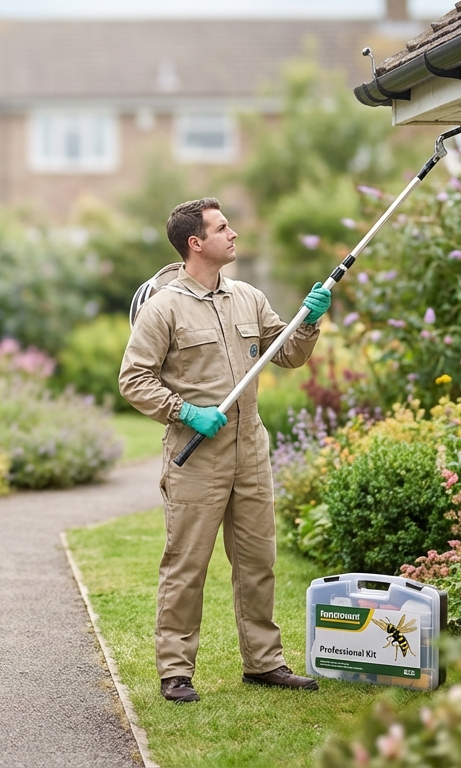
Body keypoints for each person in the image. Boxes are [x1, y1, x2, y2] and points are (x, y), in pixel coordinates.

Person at [118, 198, 331, 704]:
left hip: (249, 450)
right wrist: (185, 411)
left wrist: (308, 321)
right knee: (186, 564)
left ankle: (264, 662)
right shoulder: (164, 307)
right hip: (197, 453)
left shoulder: (249, 298)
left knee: (258, 560)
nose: (233, 233)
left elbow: (290, 356)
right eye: (222, 227)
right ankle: (175, 671)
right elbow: (133, 380)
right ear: (196, 243)